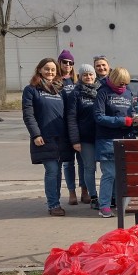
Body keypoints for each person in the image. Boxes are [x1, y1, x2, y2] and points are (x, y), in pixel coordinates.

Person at [22, 58, 72, 216]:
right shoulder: (31, 90)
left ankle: (55, 201)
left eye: (53, 69)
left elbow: (67, 114)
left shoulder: (60, 90)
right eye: (47, 69)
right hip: (44, 137)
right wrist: (36, 134)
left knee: (58, 172)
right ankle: (53, 204)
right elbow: (28, 115)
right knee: (51, 170)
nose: (50, 72)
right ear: (39, 70)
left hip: (61, 138)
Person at [94, 67, 136, 218]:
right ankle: (104, 205)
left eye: (125, 83)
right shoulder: (103, 92)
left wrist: (134, 120)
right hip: (107, 140)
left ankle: (122, 204)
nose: (122, 86)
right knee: (109, 174)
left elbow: (130, 113)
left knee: (123, 176)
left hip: (125, 139)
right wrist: (122, 121)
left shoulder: (128, 92)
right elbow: (98, 117)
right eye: (120, 83)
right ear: (113, 79)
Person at [66, 64, 100, 210]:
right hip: (85, 138)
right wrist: (75, 140)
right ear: (80, 77)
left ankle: (108, 196)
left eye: (91, 74)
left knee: (106, 169)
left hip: (101, 136)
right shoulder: (75, 93)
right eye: (85, 75)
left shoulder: (101, 91)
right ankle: (93, 196)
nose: (88, 77)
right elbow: (71, 118)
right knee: (89, 167)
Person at [58, 50, 87, 205]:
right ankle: (71, 192)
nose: (67, 65)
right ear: (59, 63)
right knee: (68, 162)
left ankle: (84, 190)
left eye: (70, 63)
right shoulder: (55, 81)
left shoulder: (77, 82)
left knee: (82, 161)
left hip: (78, 127)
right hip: (63, 128)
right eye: (64, 62)